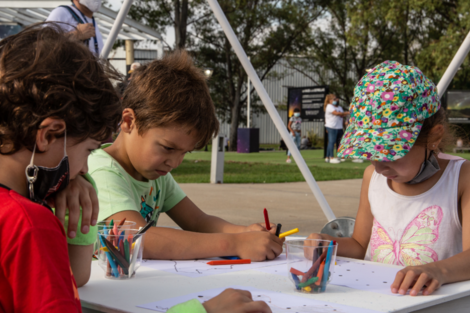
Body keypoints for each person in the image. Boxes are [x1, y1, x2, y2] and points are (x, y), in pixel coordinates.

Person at [88, 50, 284, 262]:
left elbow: (198, 221)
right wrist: (234, 243)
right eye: (168, 148)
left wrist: (244, 233)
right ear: (128, 122)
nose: (174, 162)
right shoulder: (102, 171)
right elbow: (139, 238)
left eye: (185, 152)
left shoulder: (156, 174)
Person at [307, 60, 470, 297]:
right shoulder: (372, 177)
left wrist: (438, 271)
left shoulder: (461, 178)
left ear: (433, 137)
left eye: (391, 153)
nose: (380, 166)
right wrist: (328, 243)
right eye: (370, 154)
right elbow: (361, 246)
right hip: (381, 300)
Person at [0, 24, 122, 311]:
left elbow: (72, 279)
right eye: (89, 150)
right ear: (48, 135)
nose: (83, 169)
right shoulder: (29, 225)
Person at [324, 94, 349, 163]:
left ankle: (337, 156)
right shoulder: (329, 106)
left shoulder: (340, 107)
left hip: (339, 127)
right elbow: (336, 113)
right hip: (331, 127)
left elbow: (341, 116)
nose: (336, 100)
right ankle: (331, 158)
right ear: (330, 100)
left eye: (336, 99)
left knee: (339, 142)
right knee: (332, 142)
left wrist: (344, 126)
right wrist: (347, 112)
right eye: (334, 99)